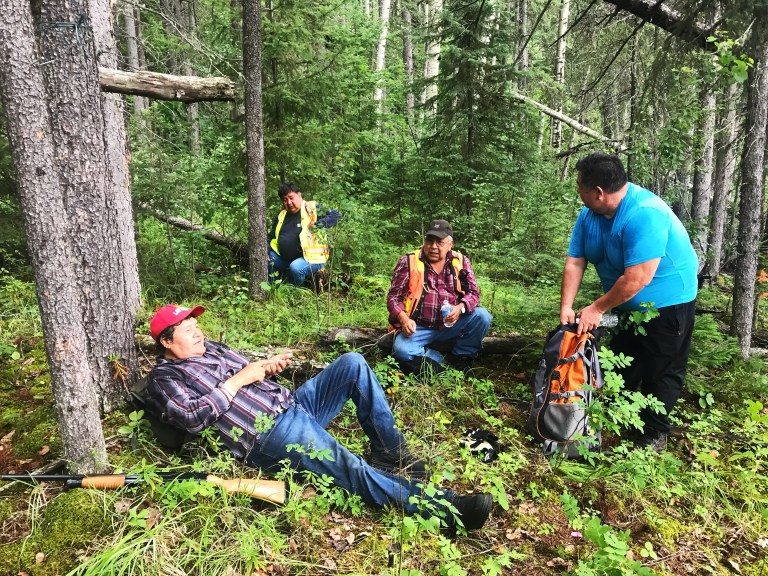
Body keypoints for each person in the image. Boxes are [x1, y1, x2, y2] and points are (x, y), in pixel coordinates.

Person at [143, 304, 493, 530]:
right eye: (187, 329)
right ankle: (446, 508)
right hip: (270, 436)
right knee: (352, 469)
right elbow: (190, 417)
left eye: (195, 323)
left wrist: (268, 367)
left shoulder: (214, 349)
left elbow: (252, 374)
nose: (197, 330)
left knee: (353, 363)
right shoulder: (165, 378)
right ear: (167, 343)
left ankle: (390, 450)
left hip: (293, 404)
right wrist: (240, 379)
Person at [560, 152, 698, 452]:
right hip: (622, 304)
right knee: (625, 358)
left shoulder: (645, 213)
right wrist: (567, 307)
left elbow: (638, 278)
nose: (578, 193)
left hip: (669, 303)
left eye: (580, 188)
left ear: (598, 192)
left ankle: (653, 435)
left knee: (661, 369)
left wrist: (596, 308)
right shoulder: (588, 216)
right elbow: (575, 261)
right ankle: (618, 418)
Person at [387, 220, 492, 376]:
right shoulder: (409, 261)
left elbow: (474, 293)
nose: (433, 246)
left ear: (450, 244)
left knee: (483, 316)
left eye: (439, 242)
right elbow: (393, 298)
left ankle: (463, 356)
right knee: (402, 350)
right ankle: (441, 360)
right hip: (418, 326)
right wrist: (404, 320)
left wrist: (460, 307)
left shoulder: (461, 262)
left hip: (452, 324)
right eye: (430, 241)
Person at [268, 182, 341, 286]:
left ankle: (292, 291)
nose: (288, 202)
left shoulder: (311, 209)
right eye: (285, 200)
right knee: (267, 258)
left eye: (291, 198)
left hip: (312, 259)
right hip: (284, 259)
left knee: (296, 267)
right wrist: (265, 250)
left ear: (299, 195)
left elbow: (336, 214)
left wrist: (318, 225)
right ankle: (273, 290)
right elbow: (271, 237)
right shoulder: (282, 215)